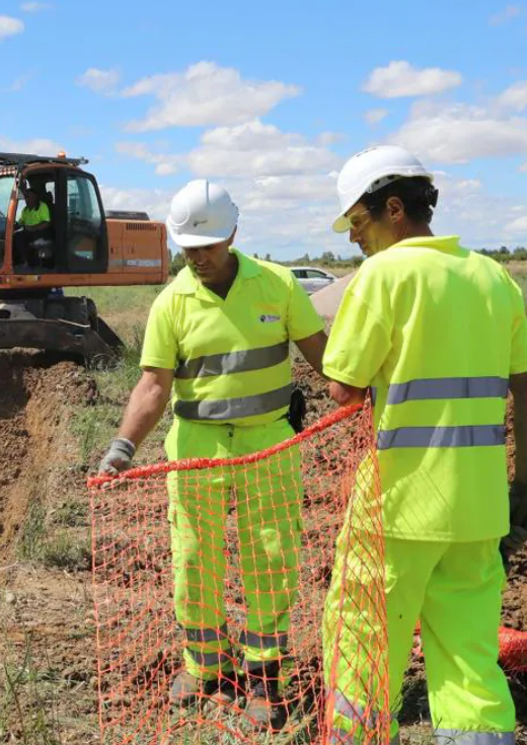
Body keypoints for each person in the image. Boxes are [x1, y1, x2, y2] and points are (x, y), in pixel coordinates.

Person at [98, 178, 328, 730]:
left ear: (233, 236)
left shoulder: (277, 286)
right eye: (189, 248)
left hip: (269, 441)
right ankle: (206, 666)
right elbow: (154, 385)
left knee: (269, 557)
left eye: (208, 246)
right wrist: (121, 448)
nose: (198, 257)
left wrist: (364, 394)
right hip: (196, 446)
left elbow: (324, 357)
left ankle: (266, 677)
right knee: (194, 558)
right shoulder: (172, 302)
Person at [319, 145, 527, 745]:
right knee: (468, 655)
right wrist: (523, 484)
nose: (354, 240)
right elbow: (525, 388)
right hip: (478, 510)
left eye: (358, 223)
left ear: (392, 208)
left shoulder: (383, 275)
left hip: (397, 508)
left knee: (363, 641)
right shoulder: (494, 278)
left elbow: (342, 390)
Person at [13, 186, 52, 267]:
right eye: (25, 197)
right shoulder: (25, 210)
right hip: (28, 233)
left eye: (28, 197)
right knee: (13, 236)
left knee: (19, 237)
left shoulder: (42, 206)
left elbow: (46, 223)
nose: (26, 199)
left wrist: (32, 228)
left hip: (41, 233)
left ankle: (25, 262)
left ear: (35, 197)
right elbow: (20, 222)